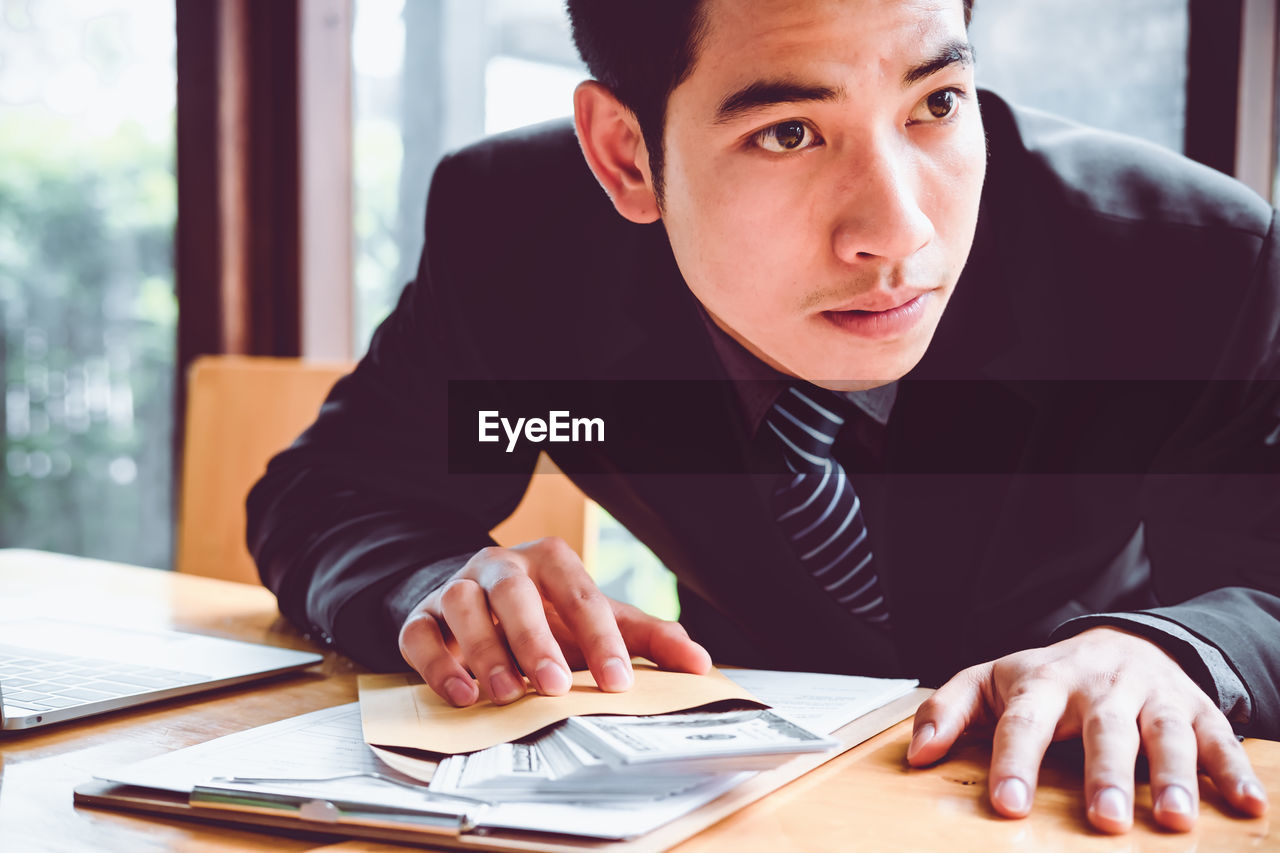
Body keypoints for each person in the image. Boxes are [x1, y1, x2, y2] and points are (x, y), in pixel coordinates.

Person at [247, 0, 1279, 836]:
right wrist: (439, 582)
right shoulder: (523, 242)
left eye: (935, 102)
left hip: (1079, 806)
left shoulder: (1181, 264)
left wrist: (1176, 650)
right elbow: (338, 489)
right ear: (624, 158)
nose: (896, 230)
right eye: (788, 132)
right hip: (727, 805)